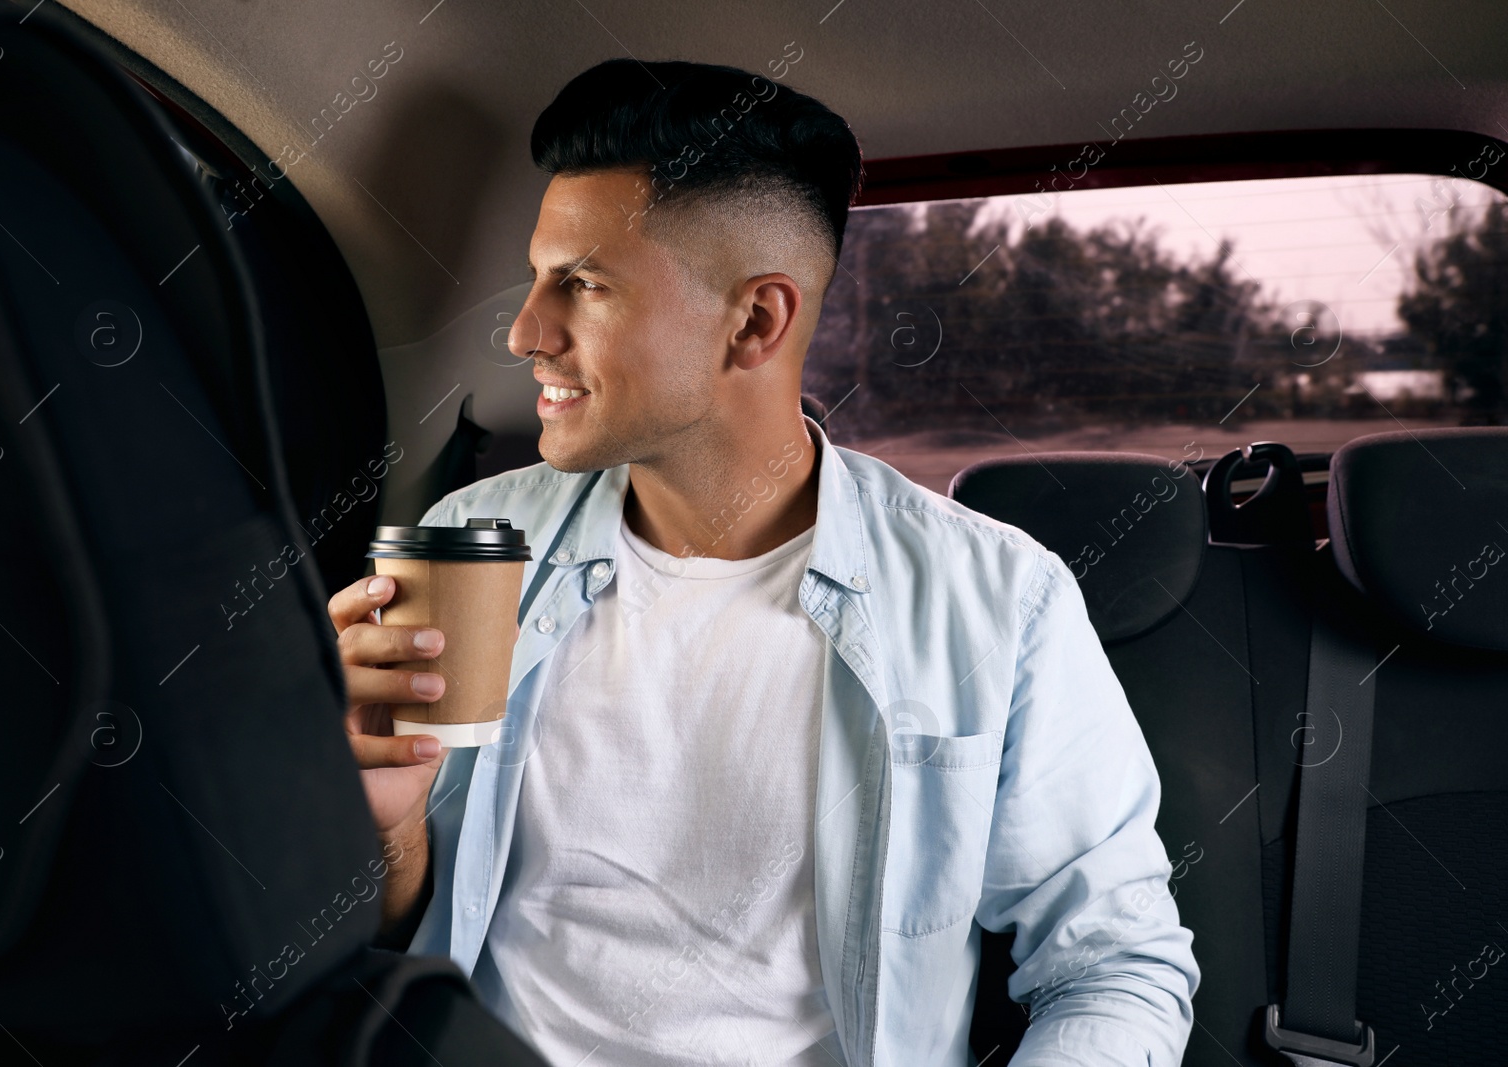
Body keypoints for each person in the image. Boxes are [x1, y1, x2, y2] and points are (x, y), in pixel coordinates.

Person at [328, 58, 1199, 1066]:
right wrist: (379, 820)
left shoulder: (998, 599)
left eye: (585, 285)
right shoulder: (474, 538)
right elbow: (381, 937)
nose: (526, 331)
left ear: (754, 320)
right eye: (535, 278)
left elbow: (1111, 968)